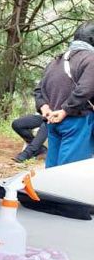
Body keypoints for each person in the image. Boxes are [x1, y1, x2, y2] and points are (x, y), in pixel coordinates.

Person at [35, 22, 94, 167]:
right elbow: (85, 89)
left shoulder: (56, 61)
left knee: (53, 168)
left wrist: (44, 107)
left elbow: (38, 89)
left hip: (53, 121)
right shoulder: (91, 59)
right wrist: (65, 110)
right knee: (71, 170)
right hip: (77, 121)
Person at [11, 90, 48, 162]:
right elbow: (38, 92)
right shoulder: (47, 83)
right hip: (45, 115)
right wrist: (43, 106)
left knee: (46, 125)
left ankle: (27, 153)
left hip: (60, 117)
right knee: (17, 124)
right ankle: (41, 149)